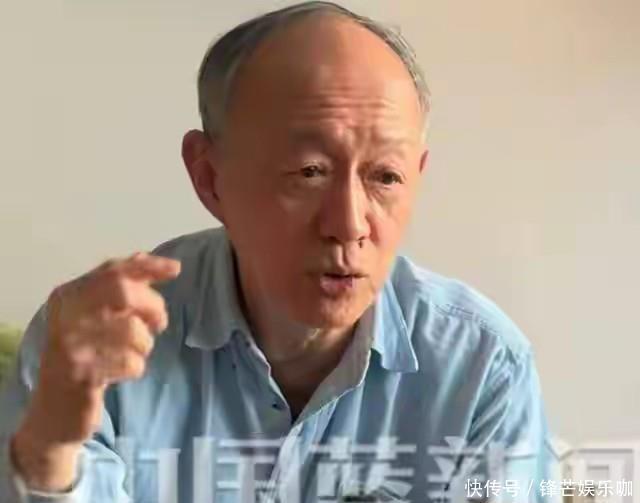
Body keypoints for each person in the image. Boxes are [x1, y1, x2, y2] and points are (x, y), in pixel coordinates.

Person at [0, 2, 557, 502]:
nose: (348, 225)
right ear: (210, 177)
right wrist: (49, 454)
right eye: (309, 171)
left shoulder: (482, 368)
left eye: (385, 176)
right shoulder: (92, 347)